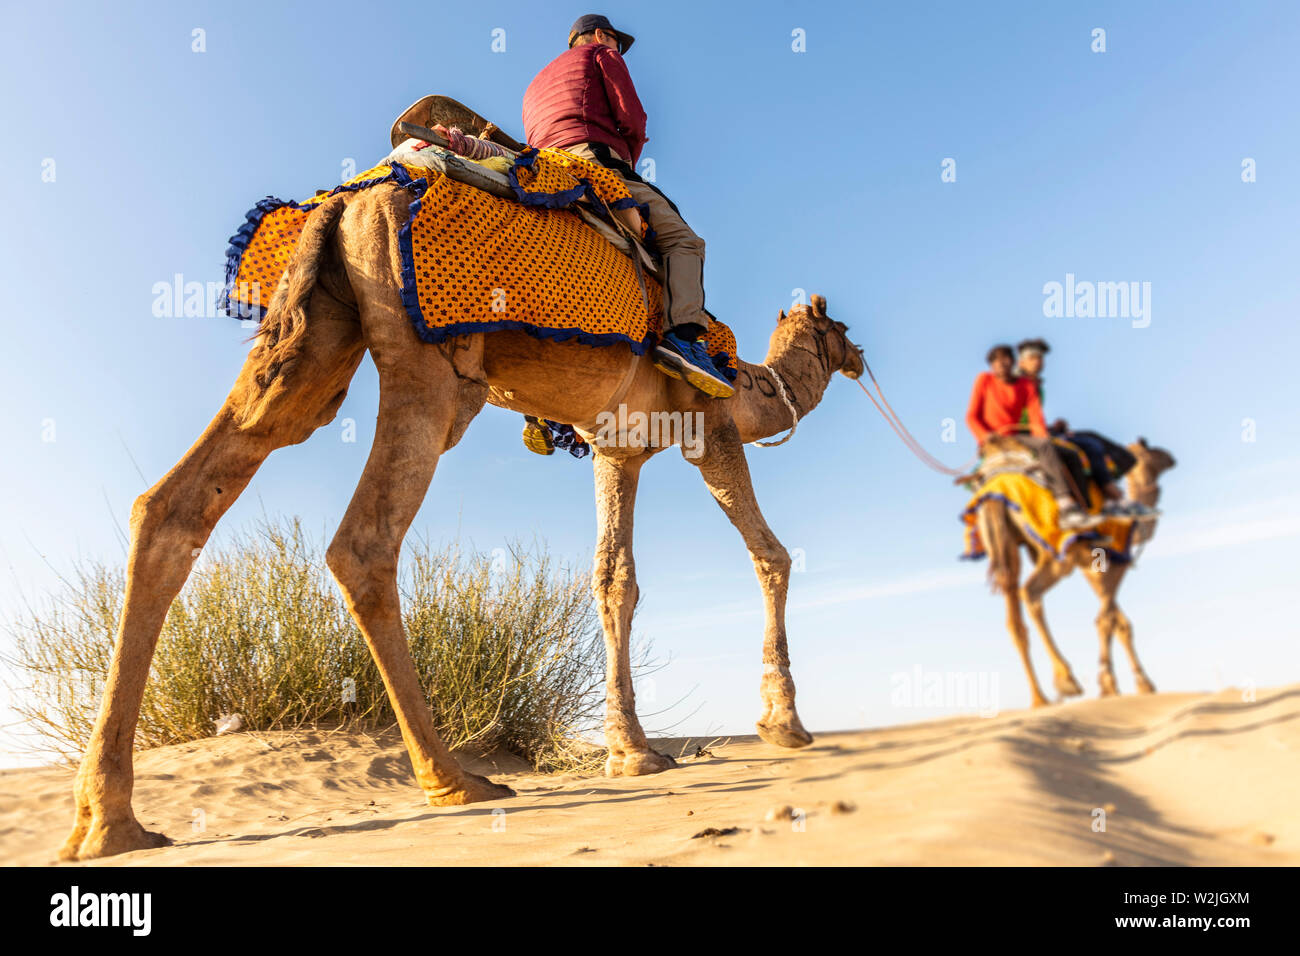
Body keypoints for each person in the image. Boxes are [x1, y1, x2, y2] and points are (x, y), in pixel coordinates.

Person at [520, 15, 733, 407]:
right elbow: (632, 118)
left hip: (542, 169)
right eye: (617, 42)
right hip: (592, 160)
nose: (618, 50)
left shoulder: (534, 84)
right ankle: (683, 339)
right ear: (601, 36)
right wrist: (628, 161)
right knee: (684, 241)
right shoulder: (602, 53)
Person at [1014, 339, 1155, 518]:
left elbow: (1033, 418)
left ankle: (1110, 495)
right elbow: (1019, 419)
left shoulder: (1036, 386)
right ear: (1021, 362)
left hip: (1040, 430)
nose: (1038, 362)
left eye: (1040, 358)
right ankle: (1111, 495)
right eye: (1033, 358)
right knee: (1088, 445)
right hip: (1026, 435)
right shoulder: (1017, 384)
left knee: (1092, 438)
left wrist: (1053, 427)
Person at [966, 344, 1100, 530]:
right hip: (994, 439)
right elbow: (971, 416)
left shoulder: (1026, 385)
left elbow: (1036, 419)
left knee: (1069, 455)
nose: (1001, 364)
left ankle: (1082, 511)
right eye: (995, 361)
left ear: (1013, 362)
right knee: (1046, 447)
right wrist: (984, 436)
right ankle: (1064, 504)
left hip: (1016, 437)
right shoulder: (983, 380)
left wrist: (1043, 437)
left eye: (1005, 359)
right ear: (991, 366)